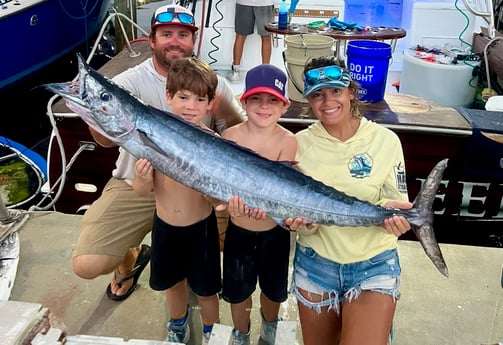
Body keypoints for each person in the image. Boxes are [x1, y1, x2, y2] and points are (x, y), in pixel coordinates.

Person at [72, 3, 244, 305]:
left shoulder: (214, 84)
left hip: (197, 191)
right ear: (152, 40)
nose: (175, 41)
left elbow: (241, 134)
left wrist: (224, 113)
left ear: (194, 41)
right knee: (87, 264)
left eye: (182, 35)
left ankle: (192, 270)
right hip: (136, 182)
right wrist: (96, 116)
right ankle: (133, 257)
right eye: (166, 34)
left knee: (237, 237)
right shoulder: (127, 83)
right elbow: (105, 141)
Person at [283, 55, 413, 345]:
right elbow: (302, 219)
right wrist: (300, 224)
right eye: (317, 95)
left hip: (375, 263)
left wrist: (395, 218)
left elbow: (396, 200)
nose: (327, 101)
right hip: (316, 265)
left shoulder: (386, 140)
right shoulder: (297, 144)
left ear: (351, 92)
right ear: (309, 101)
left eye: (335, 91)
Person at [132, 57, 221, 345]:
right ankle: (177, 323)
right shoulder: (154, 136)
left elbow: (216, 193)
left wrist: (212, 193)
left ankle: (211, 330)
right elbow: (140, 190)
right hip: (165, 226)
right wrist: (144, 178)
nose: (190, 106)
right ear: (168, 97)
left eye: (199, 99)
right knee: (173, 284)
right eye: (183, 97)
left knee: (207, 289)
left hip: (202, 228)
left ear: (210, 105)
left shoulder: (213, 142)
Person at [219, 64, 296, 345]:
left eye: (273, 100)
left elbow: (279, 191)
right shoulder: (230, 137)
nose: (264, 106)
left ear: (284, 106)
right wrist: (229, 204)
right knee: (238, 291)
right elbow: (223, 186)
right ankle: (241, 333)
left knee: (273, 289)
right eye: (256, 99)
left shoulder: (288, 141)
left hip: (274, 231)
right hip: (238, 229)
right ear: (244, 101)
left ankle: (269, 325)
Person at [226, 0, 274, 83]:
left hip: (244, 2)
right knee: (266, 37)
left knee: (240, 36)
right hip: (265, 3)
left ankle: (235, 73)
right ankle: (265, 73)